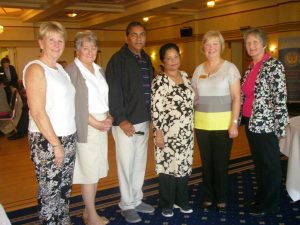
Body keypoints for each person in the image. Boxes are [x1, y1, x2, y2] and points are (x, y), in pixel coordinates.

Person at [23, 21, 76, 224]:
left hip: (67, 137)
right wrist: (56, 145)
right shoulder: (36, 69)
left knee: (64, 190)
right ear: (41, 43)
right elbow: (37, 112)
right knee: (50, 194)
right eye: (51, 40)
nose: (56, 44)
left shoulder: (60, 70)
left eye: (60, 40)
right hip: (48, 140)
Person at [105, 21, 154, 224]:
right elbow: (113, 91)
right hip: (125, 123)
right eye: (134, 35)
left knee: (139, 163)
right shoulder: (118, 60)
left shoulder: (145, 59)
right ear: (127, 37)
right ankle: (126, 204)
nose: (138, 38)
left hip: (143, 120)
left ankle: (136, 199)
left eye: (142, 34)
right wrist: (122, 119)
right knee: (126, 164)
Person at [65, 30, 112, 225]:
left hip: (102, 124)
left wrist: (109, 117)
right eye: (86, 48)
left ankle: (87, 211)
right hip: (87, 126)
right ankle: (92, 216)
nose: (90, 51)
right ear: (77, 50)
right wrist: (96, 123)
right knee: (88, 173)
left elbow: (105, 97)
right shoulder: (72, 71)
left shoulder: (99, 69)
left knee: (96, 170)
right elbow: (74, 105)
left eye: (93, 47)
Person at [191, 30, 241, 213]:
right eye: (208, 44)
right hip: (202, 124)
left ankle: (221, 196)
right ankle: (208, 195)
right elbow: (194, 97)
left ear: (221, 47)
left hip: (223, 124)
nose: (211, 47)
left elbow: (237, 97)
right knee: (206, 162)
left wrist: (234, 122)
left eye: (215, 44)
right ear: (203, 47)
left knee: (220, 163)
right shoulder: (198, 70)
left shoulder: (230, 68)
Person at [241, 28, 288, 216]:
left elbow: (280, 98)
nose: (251, 46)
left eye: (254, 42)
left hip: (266, 124)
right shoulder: (251, 67)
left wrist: (280, 127)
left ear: (264, 44)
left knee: (270, 165)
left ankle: (270, 203)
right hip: (251, 122)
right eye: (248, 43)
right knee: (259, 164)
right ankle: (261, 196)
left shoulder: (273, 65)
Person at [151, 43, 195, 217]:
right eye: (168, 58)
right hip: (168, 133)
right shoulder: (160, 81)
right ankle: (167, 203)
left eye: (175, 56)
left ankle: (181, 200)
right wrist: (158, 133)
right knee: (168, 167)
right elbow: (156, 109)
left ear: (179, 57)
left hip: (186, 132)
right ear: (162, 62)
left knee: (183, 166)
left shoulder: (185, 76)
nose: (173, 61)